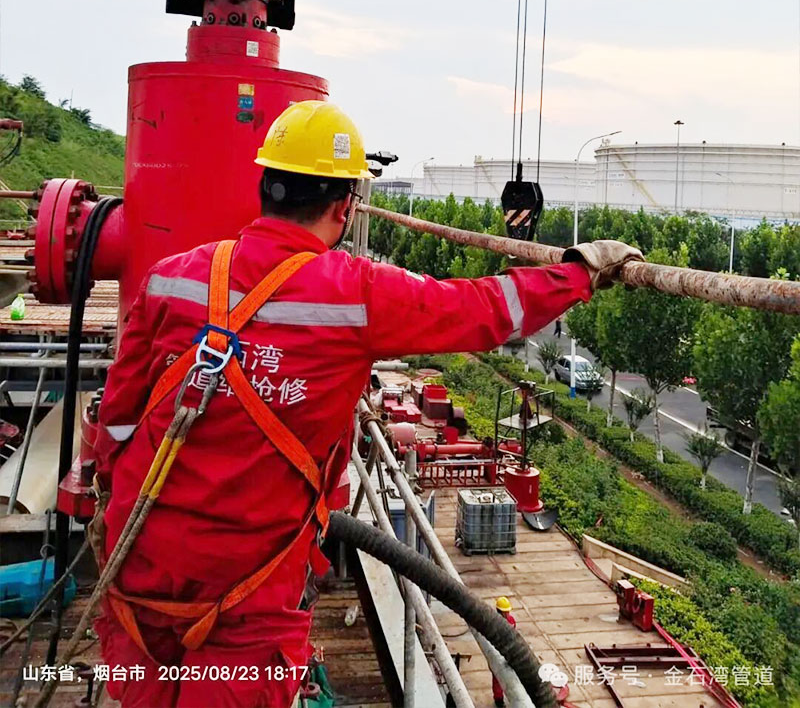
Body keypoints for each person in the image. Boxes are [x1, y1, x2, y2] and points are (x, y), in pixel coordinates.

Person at [93, 100, 642, 708]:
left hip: (137, 568)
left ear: (264, 187)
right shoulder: (356, 294)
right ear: (344, 204)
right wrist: (582, 271)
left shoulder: (171, 277)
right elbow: (484, 310)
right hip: (245, 600)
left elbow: (116, 421)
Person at [492, 596, 516, 707]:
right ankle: (499, 700)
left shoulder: (511, 621)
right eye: (505, 612)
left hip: (509, 652)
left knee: (512, 677)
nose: (507, 614)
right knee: (497, 677)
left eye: (508, 611)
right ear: (499, 611)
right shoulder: (493, 622)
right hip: (497, 652)